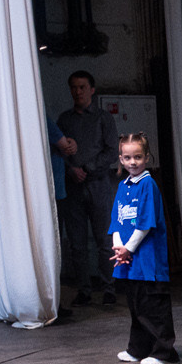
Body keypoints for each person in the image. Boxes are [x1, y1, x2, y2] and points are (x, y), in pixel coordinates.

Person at [108, 133, 177, 364]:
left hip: (148, 261)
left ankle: (165, 353)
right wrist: (119, 248)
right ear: (121, 159)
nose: (132, 162)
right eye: (127, 157)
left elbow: (145, 224)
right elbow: (117, 221)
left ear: (146, 157)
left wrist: (128, 248)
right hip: (130, 262)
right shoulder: (122, 186)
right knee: (136, 307)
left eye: (137, 157)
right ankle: (138, 348)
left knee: (154, 308)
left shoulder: (148, 185)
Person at [56, 70, 120, 306]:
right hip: (73, 187)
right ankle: (84, 289)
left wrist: (87, 168)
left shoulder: (103, 118)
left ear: (92, 90)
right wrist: (72, 170)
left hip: (98, 185)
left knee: (104, 240)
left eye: (82, 87)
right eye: (74, 87)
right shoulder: (64, 120)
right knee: (77, 243)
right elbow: (57, 151)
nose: (78, 91)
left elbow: (112, 151)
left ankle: (108, 288)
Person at [45, 114, 78, 319]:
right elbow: (66, 146)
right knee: (53, 249)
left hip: (56, 190)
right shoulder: (43, 118)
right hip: (55, 193)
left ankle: (54, 302)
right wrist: (70, 143)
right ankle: (53, 303)